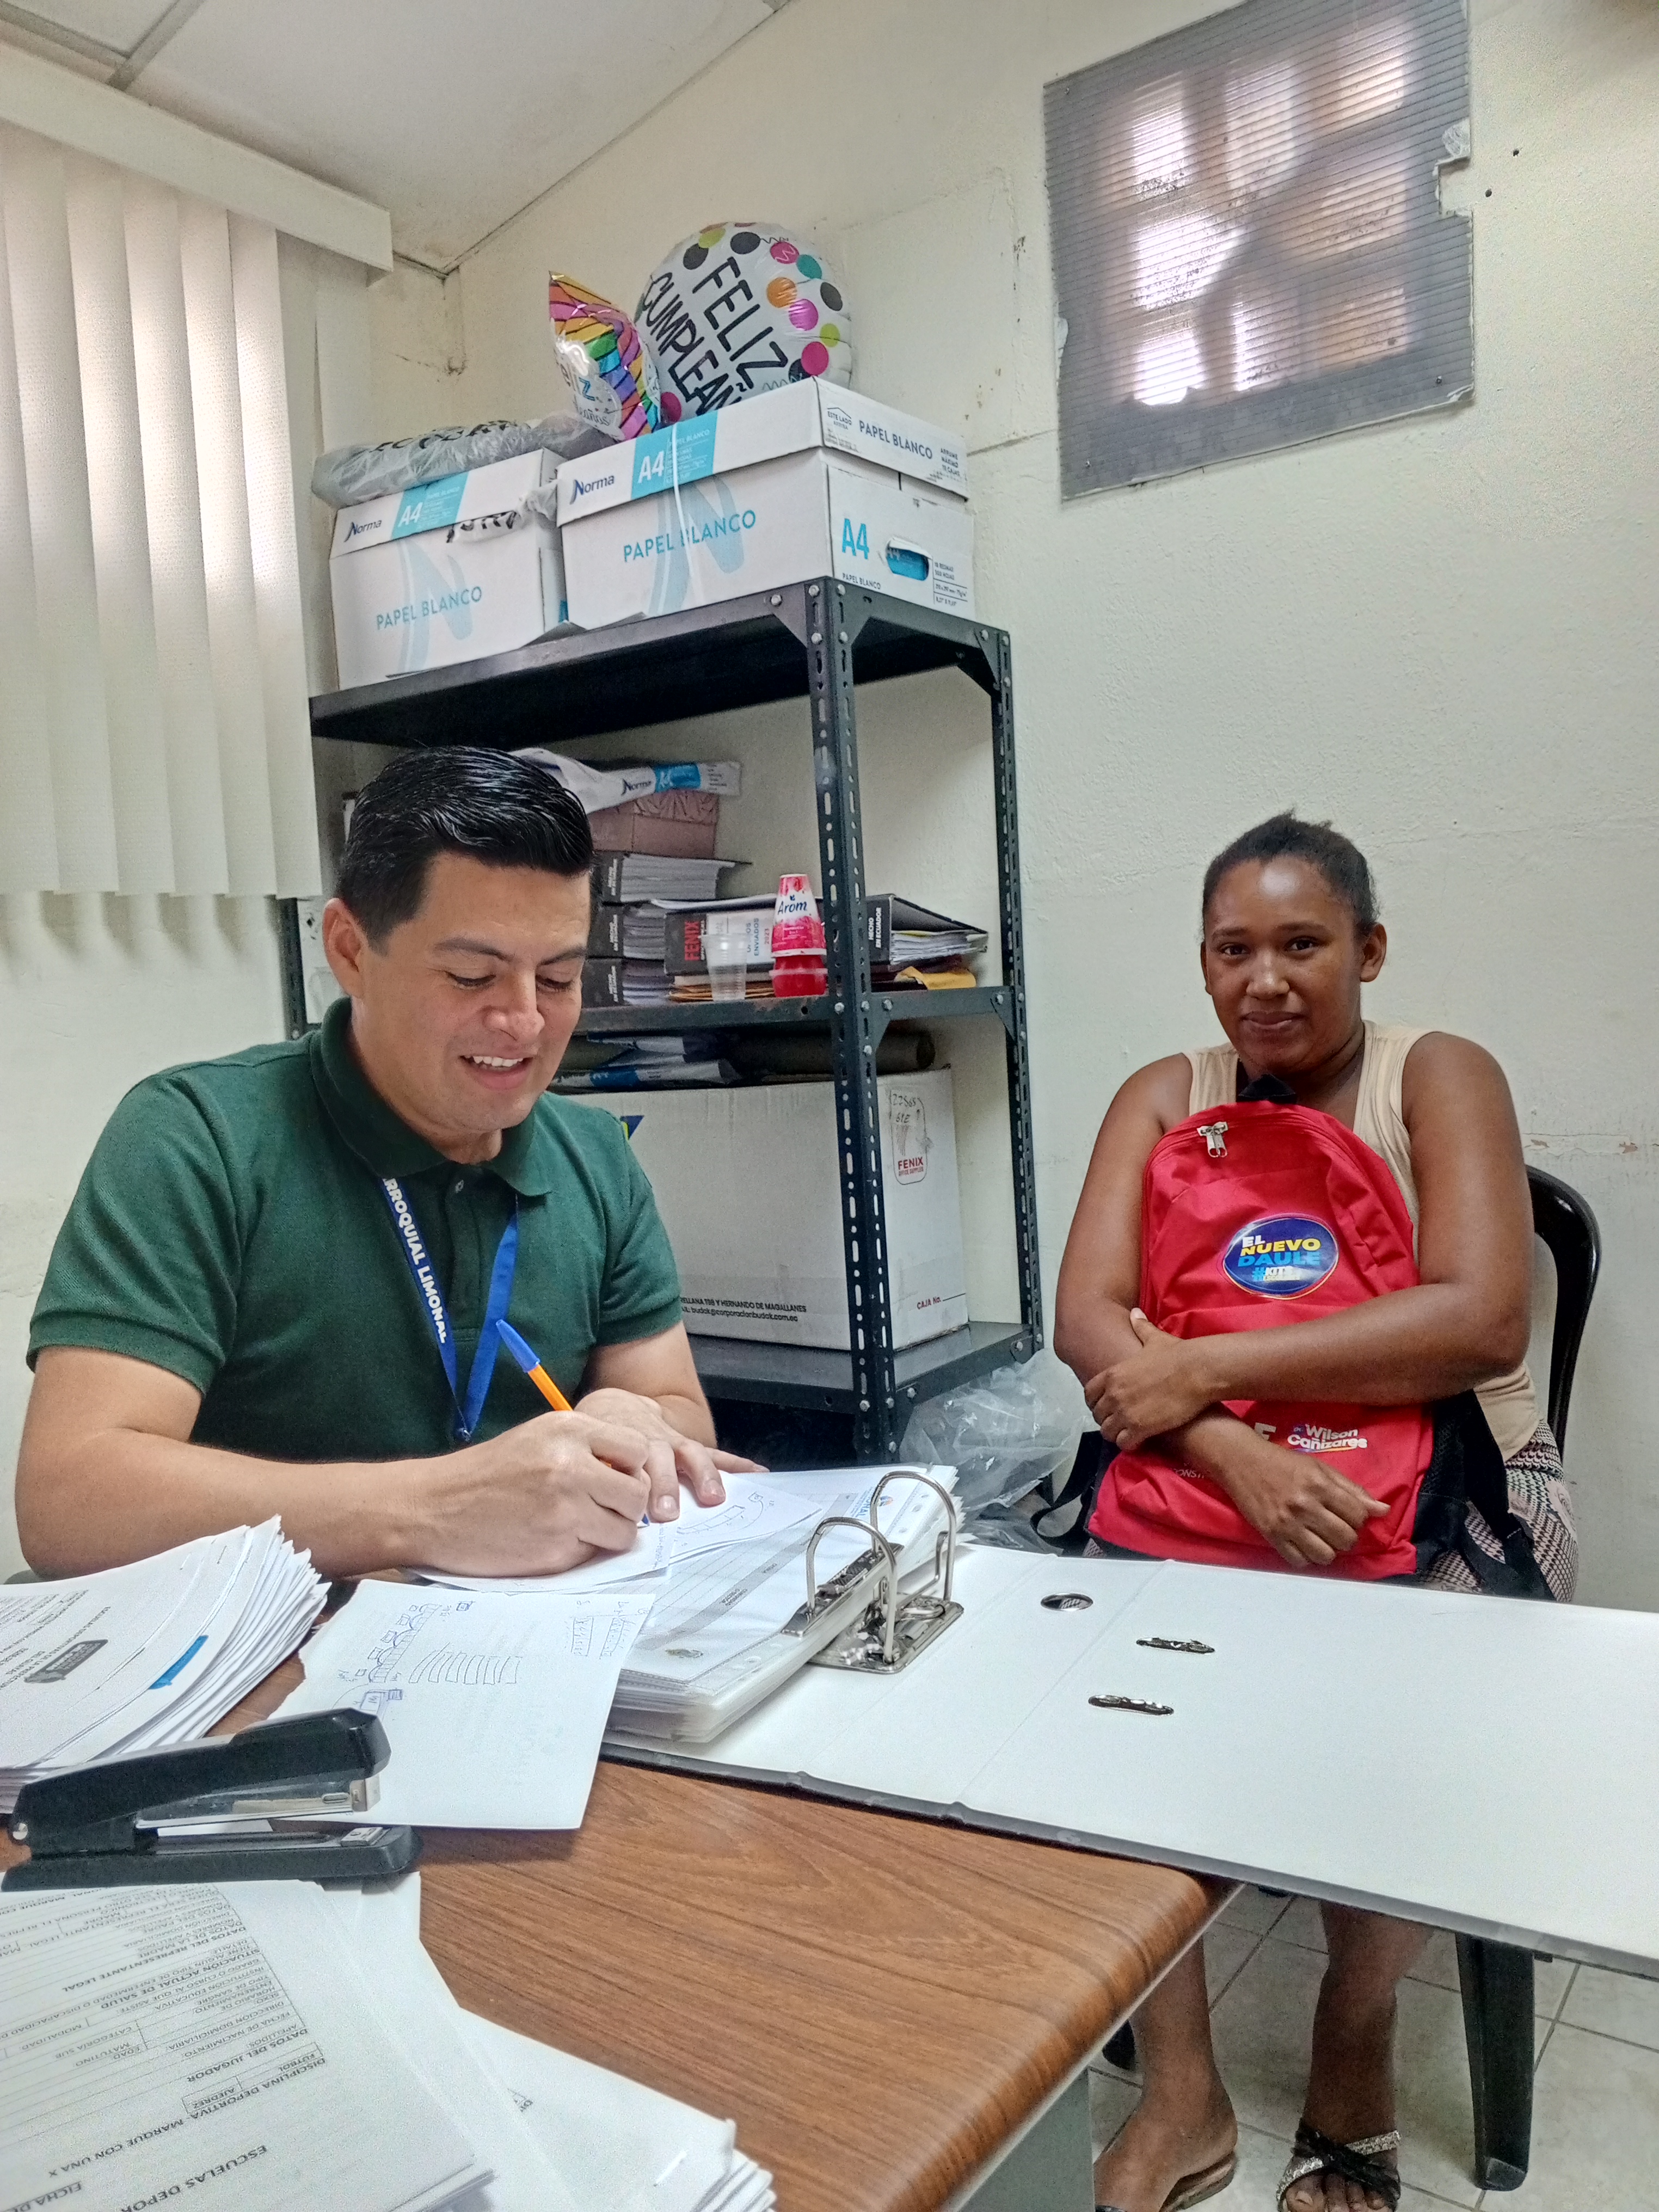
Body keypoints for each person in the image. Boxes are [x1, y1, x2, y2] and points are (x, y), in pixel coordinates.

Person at [1053, 812, 1576, 2212]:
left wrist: (1205, 1364)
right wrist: (1228, 1446)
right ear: (1203, 963)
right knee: (1106, 1696)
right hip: (1209, 1469)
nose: (1266, 979)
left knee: (1412, 1708)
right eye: (1234, 949)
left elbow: (1480, 1318)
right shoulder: (1166, 1092)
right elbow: (1087, 1318)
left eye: (1303, 943)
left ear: (1370, 949)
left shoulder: (1437, 1073)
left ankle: (1356, 2029)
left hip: (1457, 1476)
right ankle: (1182, 2090)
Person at [19, 747, 757, 1582]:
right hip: (285, 1644)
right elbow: (70, 1501)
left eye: (557, 979)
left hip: (542, 1633)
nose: (523, 1021)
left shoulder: (594, 1157)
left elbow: (677, 1412)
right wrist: (433, 1511)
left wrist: (632, 1415)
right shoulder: (197, 1139)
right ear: (350, 951)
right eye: (471, 975)